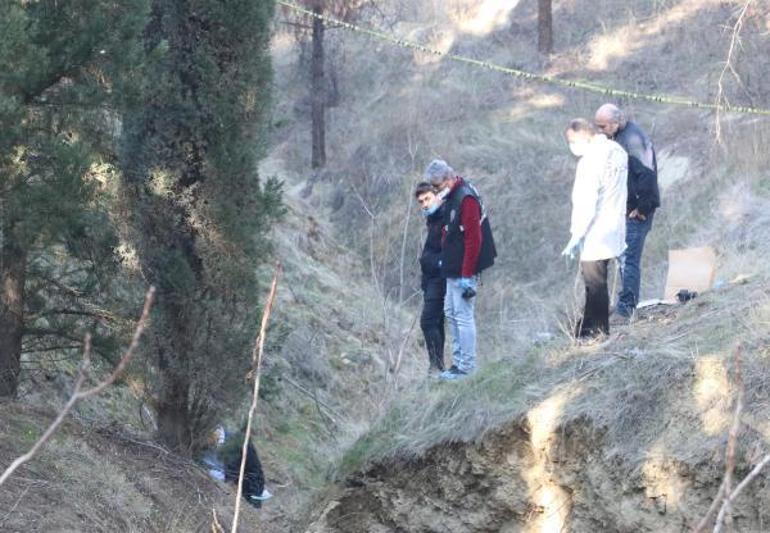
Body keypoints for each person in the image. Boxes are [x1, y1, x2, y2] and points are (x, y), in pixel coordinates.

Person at [424, 159, 496, 380]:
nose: (435, 191)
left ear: (448, 178)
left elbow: (474, 239)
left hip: (463, 268)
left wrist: (466, 274)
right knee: (451, 313)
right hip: (451, 264)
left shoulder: (466, 198)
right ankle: (457, 362)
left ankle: (467, 366)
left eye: (437, 186)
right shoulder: (452, 196)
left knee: (463, 317)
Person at [562, 119, 628, 339]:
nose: (571, 146)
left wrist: (577, 235)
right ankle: (586, 327)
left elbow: (586, 202)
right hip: (615, 225)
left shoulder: (590, 161)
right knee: (597, 281)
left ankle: (598, 331)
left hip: (595, 231)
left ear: (583, 137)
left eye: (572, 141)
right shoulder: (616, 150)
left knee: (595, 283)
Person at [594, 104, 661, 321]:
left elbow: (648, 176)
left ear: (615, 122)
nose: (600, 130)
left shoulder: (633, 140)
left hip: (638, 212)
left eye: (602, 126)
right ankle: (624, 302)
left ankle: (626, 309)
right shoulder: (619, 137)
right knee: (622, 257)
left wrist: (642, 209)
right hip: (625, 210)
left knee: (628, 259)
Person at [414, 182, 446, 376]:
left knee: (427, 321)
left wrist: (438, 264)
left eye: (427, 199)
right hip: (431, 278)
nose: (424, 204)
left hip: (440, 278)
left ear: (436, 195)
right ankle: (438, 366)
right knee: (437, 322)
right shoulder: (433, 217)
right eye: (421, 201)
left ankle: (435, 365)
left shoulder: (444, 215)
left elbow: (450, 246)